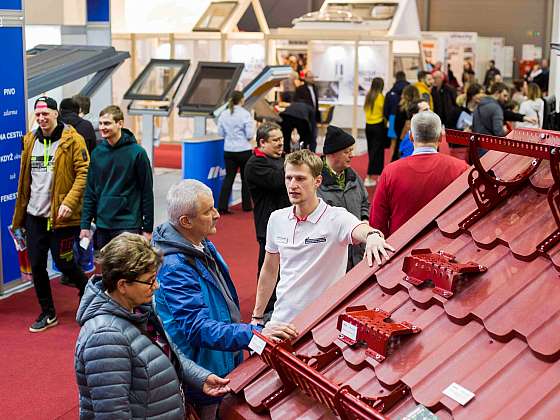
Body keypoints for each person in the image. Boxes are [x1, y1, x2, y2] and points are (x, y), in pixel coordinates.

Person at [153, 180, 297, 419]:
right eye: (208, 211)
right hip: (204, 372)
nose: (217, 214)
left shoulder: (198, 243)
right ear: (186, 222)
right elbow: (197, 328)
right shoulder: (174, 266)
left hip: (218, 360)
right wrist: (252, 334)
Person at [75, 233, 231, 419]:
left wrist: (200, 377)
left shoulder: (138, 309)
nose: (156, 286)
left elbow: (166, 354)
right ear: (123, 284)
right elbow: (113, 414)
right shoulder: (105, 339)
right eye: (150, 280)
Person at [251, 150, 395, 325]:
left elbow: (360, 228)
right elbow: (269, 269)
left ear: (317, 181)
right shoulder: (276, 218)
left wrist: (372, 235)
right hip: (281, 320)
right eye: (289, 178)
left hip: (321, 323)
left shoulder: (336, 217)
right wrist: (257, 316)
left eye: (300, 178)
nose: (293, 185)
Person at [12, 96, 89, 332]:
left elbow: (83, 172)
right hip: (34, 215)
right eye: (38, 114)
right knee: (36, 265)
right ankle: (48, 312)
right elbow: (25, 180)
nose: (42, 118)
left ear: (56, 114)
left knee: (64, 264)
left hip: (62, 219)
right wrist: (21, 216)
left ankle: (88, 291)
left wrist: (69, 201)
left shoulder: (72, 140)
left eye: (46, 113)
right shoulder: (30, 140)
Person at [370, 111, 468, 237]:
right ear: (439, 137)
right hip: (446, 247)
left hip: (401, 247)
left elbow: (378, 221)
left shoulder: (390, 171)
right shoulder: (461, 168)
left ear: (410, 137)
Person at [80, 105, 154, 250]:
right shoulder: (97, 153)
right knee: (108, 270)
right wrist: (85, 224)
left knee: (127, 270)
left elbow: (147, 192)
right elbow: (90, 192)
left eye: (107, 123)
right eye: (100, 123)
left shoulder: (137, 153)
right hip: (103, 224)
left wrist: (148, 228)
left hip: (129, 224)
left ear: (120, 123)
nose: (102, 127)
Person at [245, 122, 290, 318]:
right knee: (269, 269)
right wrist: (293, 164)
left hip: (289, 222)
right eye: (275, 140)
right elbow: (277, 181)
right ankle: (265, 310)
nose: (281, 143)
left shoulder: (279, 160)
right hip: (268, 226)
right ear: (262, 142)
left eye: (281, 139)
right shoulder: (255, 164)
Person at [318, 126, 369, 270]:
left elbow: (365, 201)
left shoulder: (353, 176)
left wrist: (364, 219)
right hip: (332, 257)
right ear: (332, 154)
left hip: (357, 253)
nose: (352, 155)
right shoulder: (316, 182)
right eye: (347, 152)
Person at [216, 90, 254, 213]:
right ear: (241, 100)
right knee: (246, 179)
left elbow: (221, 133)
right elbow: (249, 135)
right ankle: (247, 206)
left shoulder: (224, 114)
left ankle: (222, 207)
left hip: (229, 150)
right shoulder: (245, 114)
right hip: (244, 150)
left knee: (229, 178)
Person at [363, 77, 386, 187]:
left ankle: (374, 176)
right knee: (377, 151)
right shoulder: (381, 97)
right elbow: (383, 111)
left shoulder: (368, 96)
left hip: (368, 125)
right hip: (378, 125)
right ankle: (370, 176)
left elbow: (365, 109)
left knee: (372, 150)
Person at [383, 71, 409, 161]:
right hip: (407, 120)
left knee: (393, 143)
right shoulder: (409, 89)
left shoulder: (390, 92)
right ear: (405, 77)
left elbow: (385, 110)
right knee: (405, 141)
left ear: (396, 78)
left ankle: (392, 162)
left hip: (392, 119)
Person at [294, 70, 320, 151]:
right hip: (304, 117)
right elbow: (296, 102)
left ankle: (313, 155)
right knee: (304, 137)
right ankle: (303, 154)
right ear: (305, 78)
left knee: (313, 137)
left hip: (314, 116)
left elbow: (316, 103)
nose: (312, 79)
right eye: (310, 77)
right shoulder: (300, 89)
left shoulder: (315, 88)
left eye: (312, 77)